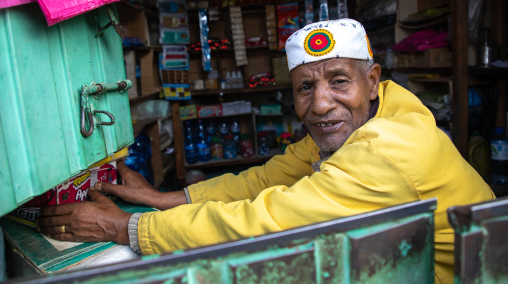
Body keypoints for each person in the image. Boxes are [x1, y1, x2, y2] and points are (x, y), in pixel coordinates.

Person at [38, 19, 494, 284]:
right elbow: (263, 180)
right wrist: (159, 199)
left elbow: (261, 224)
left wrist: (124, 227)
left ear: (371, 80)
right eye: (305, 88)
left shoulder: (386, 150)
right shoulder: (376, 113)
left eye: (339, 81)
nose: (320, 105)